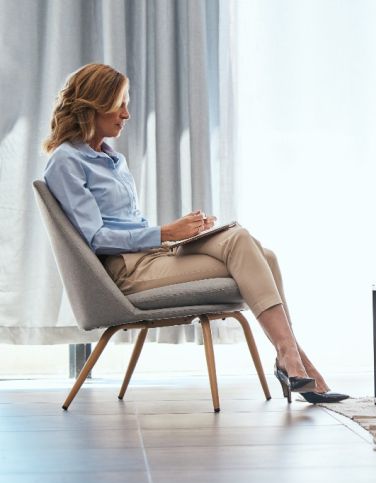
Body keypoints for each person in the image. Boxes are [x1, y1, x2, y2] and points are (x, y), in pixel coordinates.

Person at [43, 63, 348, 404]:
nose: (127, 114)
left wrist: (180, 233)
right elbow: (96, 238)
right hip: (127, 272)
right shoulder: (66, 161)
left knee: (251, 245)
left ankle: (291, 359)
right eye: (119, 103)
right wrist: (164, 233)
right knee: (255, 255)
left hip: (154, 255)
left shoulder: (113, 159)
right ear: (92, 105)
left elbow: (127, 224)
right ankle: (295, 362)